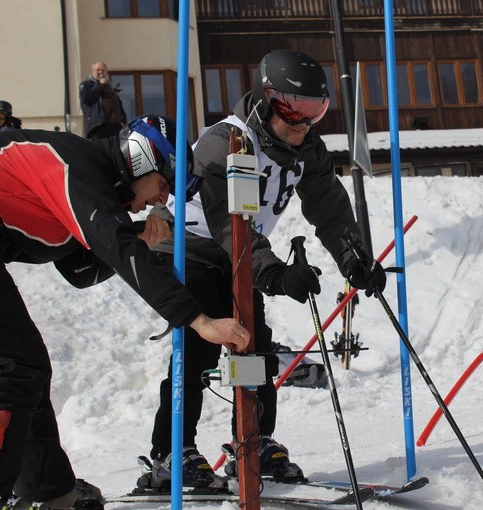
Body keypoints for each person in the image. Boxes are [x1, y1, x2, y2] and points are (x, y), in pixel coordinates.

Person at [143, 49, 387, 488]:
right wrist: (273, 274)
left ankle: (253, 442)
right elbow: (226, 221)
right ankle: (171, 452)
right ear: (263, 99)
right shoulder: (228, 143)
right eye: (292, 110)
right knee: (198, 349)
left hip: (239, 256)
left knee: (256, 350)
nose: (302, 123)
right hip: (191, 247)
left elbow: (329, 207)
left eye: (314, 112)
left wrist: (354, 257)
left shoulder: (305, 149)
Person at [0, 115, 251, 509]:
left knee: (26, 367)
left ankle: (49, 492)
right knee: (16, 365)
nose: (161, 199)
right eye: (163, 184)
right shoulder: (76, 164)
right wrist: (198, 320)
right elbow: (114, 246)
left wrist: (135, 237)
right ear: (139, 158)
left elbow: (79, 269)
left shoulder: (92, 191)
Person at [79, 61, 127, 139]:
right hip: (97, 127)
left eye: (103, 70)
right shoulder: (86, 85)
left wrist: (123, 122)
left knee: (115, 150)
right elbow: (87, 98)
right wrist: (101, 85)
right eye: (98, 70)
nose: (101, 72)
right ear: (92, 71)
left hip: (114, 127)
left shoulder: (110, 87)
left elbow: (118, 105)